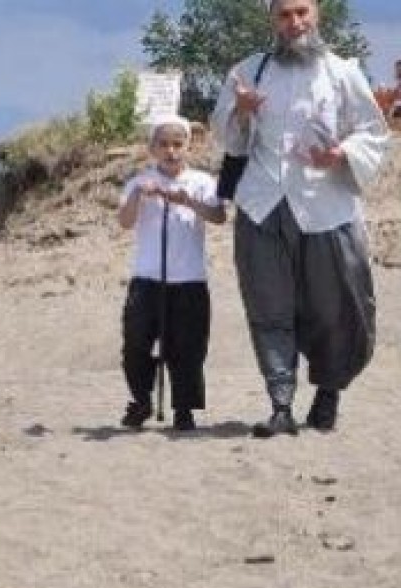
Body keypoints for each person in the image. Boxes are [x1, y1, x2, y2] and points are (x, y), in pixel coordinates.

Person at [211, 0, 390, 438]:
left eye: (301, 12)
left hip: (326, 207)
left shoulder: (342, 72)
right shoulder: (249, 70)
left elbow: (373, 130)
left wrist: (341, 153)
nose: (294, 23)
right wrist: (241, 111)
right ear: (272, 20)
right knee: (267, 307)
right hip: (262, 203)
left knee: (336, 308)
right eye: (284, 15)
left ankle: (328, 392)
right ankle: (280, 405)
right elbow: (226, 137)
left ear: (317, 14)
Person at [116, 116, 227, 432]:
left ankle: (184, 409)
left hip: (189, 278)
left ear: (188, 147)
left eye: (178, 144)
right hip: (147, 277)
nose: (171, 151)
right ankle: (141, 400)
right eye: (163, 144)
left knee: (188, 347)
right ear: (152, 148)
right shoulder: (140, 181)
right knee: (136, 342)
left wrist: (187, 200)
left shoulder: (201, 182)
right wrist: (138, 195)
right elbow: (124, 221)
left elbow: (218, 216)